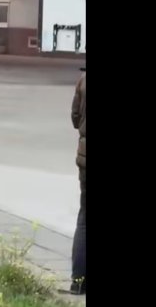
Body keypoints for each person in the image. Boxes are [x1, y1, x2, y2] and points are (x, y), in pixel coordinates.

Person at [70, 67, 86, 294]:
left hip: (85, 158)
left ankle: (78, 281)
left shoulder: (83, 81)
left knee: (84, 220)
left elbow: (75, 118)